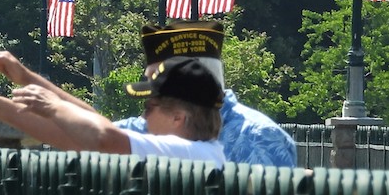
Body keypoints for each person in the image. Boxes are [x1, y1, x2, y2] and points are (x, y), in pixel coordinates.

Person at [0, 56, 226, 164]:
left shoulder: (190, 155)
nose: (143, 114)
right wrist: (4, 102)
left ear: (179, 117)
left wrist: (52, 107)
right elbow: (87, 132)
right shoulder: (193, 149)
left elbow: (103, 137)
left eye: (150, 106)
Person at [112, 21, 295, 167]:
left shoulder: (258, 137)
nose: (151, 95)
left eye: (159, 80)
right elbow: (99, 135)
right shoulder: (146, 125)